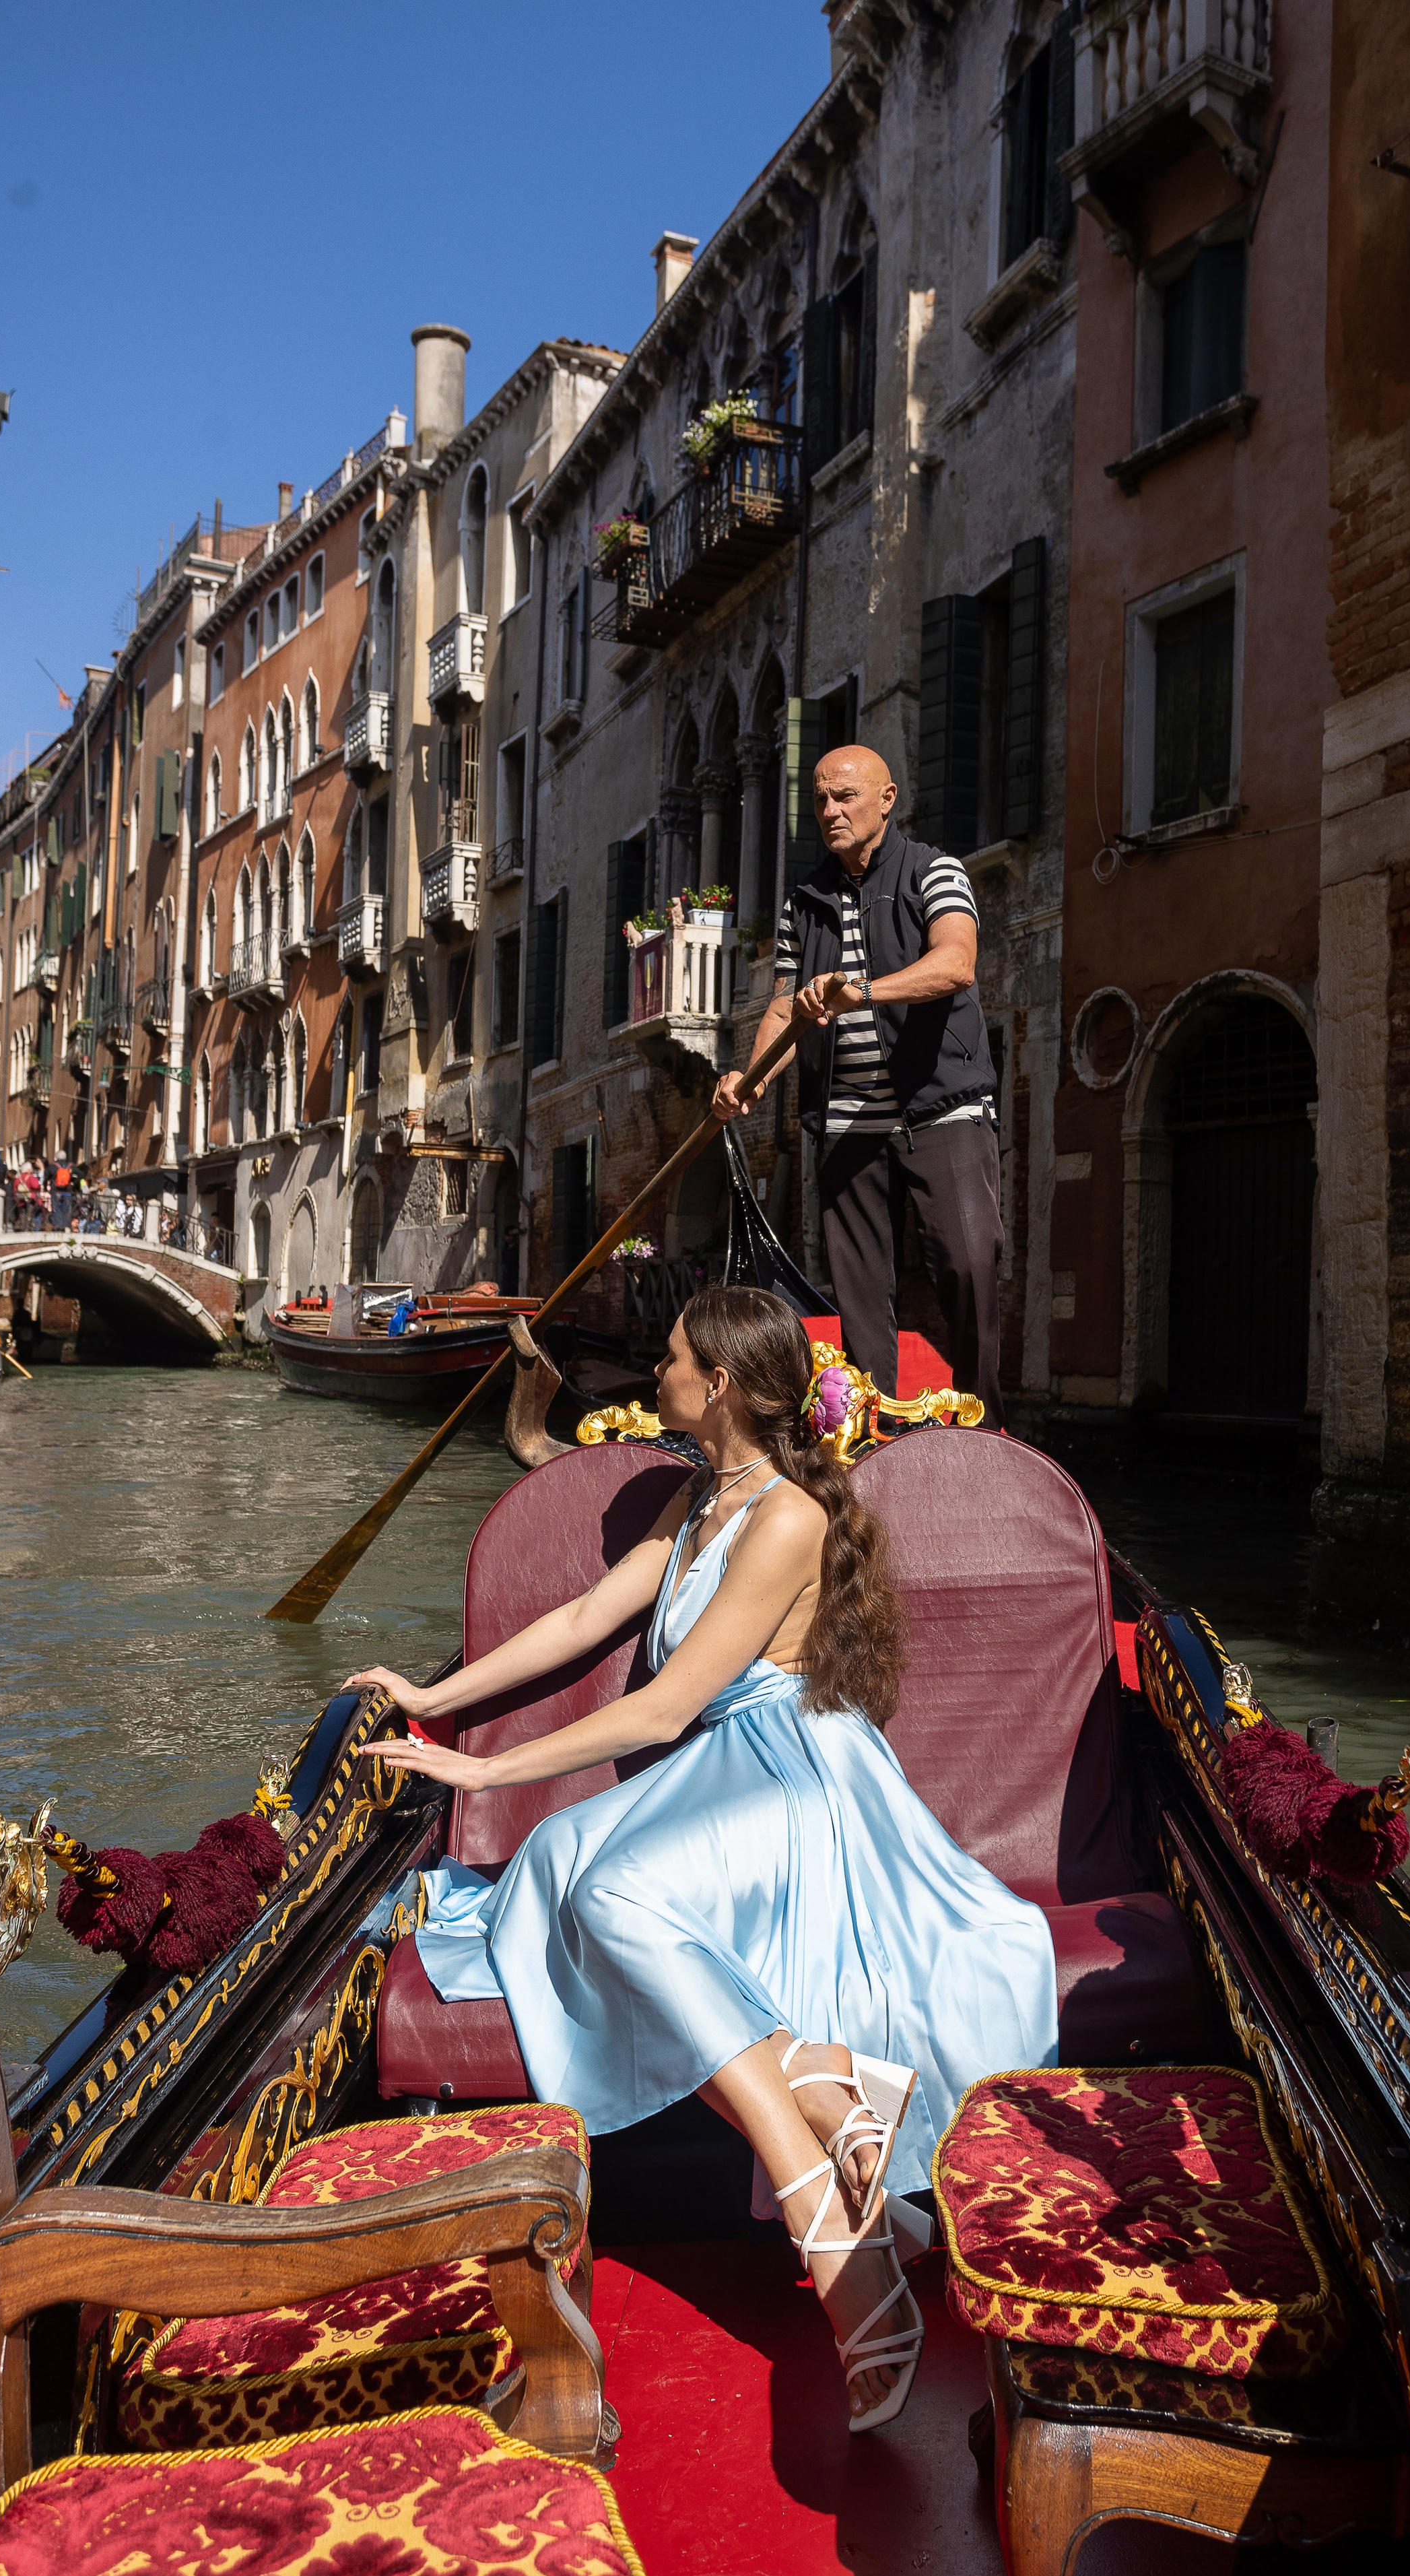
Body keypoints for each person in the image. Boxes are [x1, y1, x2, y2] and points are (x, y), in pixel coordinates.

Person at [346, 1286, 1056, 2433]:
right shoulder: (697, 1500)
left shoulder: (784, 1519)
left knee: (609, 1886)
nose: (652, 1373)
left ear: (719, 1383)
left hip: (798, 1779)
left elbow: (670, 1703)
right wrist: (437, 1696)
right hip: (723, 1775)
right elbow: (583, 1621)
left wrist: (483, 1775)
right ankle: (825, 2088)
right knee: (565, 1861)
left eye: (671, 1359)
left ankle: (826, 2218)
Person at [712, 745, 1005, 1425]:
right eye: (819, 799)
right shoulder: (802, 903)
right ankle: (873, 1437)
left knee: (968, 1268)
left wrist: (859, 993)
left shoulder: (936, 871)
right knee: (860, 1300)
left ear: (886, 798)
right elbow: (784, 1008)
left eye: (844, 796)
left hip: (945, 1113)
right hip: (847, 1125)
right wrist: (749, 1080)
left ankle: (986, 1428)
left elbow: (955, 962)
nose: (830, 811)